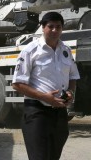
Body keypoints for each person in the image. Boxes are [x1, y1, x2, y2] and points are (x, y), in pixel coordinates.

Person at [12, 11, 80, 160]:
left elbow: (73, 77)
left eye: (58, 27)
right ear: (43, 27)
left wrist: (70, 93)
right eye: (51, 26)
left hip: (59, 114)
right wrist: (44, 97)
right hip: (37, 113)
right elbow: (17, 84)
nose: (55, 30)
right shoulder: (30, 51)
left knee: (53, 157)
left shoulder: (66, 51)